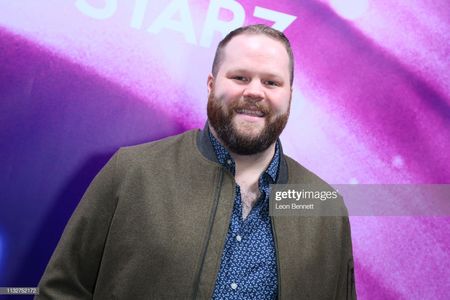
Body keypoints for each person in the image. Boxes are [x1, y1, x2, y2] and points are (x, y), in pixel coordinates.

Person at [37, 24, 356, 299]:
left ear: (289, 95)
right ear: (211, 85)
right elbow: (62, 291)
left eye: (271, 82)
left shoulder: (323, 203)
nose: (255, 92)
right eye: (240, 77)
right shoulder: (132, 172)